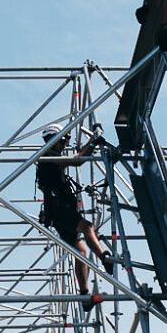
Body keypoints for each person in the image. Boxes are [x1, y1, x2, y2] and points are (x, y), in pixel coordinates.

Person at [36, 123, 110, 296]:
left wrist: (91, 143)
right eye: (62, 142)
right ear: (53, 141)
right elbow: (76, 161)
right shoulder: (47, 156)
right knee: (87, 227)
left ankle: (84, 293)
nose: (63, 146)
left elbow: (77, 158)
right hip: (60, 209)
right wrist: (93, 142)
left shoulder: (51, 157)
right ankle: (104, 257)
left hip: (56, 212)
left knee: (80, 251)